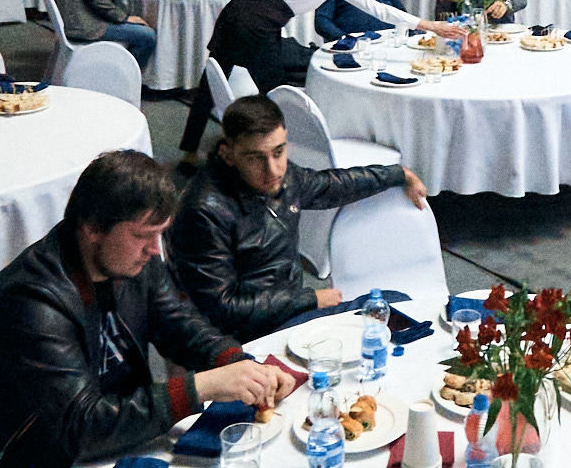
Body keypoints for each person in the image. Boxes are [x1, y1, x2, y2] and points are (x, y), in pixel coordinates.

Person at [0, 151, 288, 468]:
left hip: (104, 435)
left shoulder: (129, 258)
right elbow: (84, 427)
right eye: (143, 237)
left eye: (160, 234)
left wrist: (237, 363)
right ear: (92, 228)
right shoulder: (32, 304)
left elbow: (178, 323)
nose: (154, 250)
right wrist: (202, 386)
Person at [177, 0, 462, 163]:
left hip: (238, 10)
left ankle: (191, 151)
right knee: (277, 94)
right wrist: (430, 25)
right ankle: (286, 157)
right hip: (258, 23)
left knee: (211, 85)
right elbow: (377, 9)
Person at [166, 96, 432, 344]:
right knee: (388, 320)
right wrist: (308, 300)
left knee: (398, 305)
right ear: (228, 154)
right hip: (251, 334)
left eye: (278, 152)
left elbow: (333, 185)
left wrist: (398, 174)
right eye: (256, 158)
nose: (272, 169)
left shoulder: (284, 178)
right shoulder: (204, 211)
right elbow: (220, 307)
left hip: (291, 313)